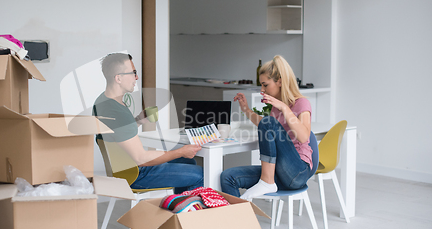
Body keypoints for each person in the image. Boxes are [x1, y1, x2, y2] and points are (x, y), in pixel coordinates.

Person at [93, 52, 203, 193]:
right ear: (118, 78)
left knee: (188, 162)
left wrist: (138, 121)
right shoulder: (117, 112)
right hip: (136, 175)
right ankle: (184, 210)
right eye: (133, 73)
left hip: (123, 169)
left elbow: (117, 133)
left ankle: (175, 205)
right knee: (199, 174)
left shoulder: (103, 102)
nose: (136, 77)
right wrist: (180, 151)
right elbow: (142, 158)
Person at [220, 55, 315, 200]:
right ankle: (240, 221)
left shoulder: (301, 103)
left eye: (265, 85)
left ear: (280, 82)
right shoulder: (275, 108)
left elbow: (303, 137)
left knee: (268, 121)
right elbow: (266, 126)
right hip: (278, 172)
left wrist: (284, 107)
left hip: (298, 172)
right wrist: (246, 109)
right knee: (228, 177)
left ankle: (266, 181)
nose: (262, 89)